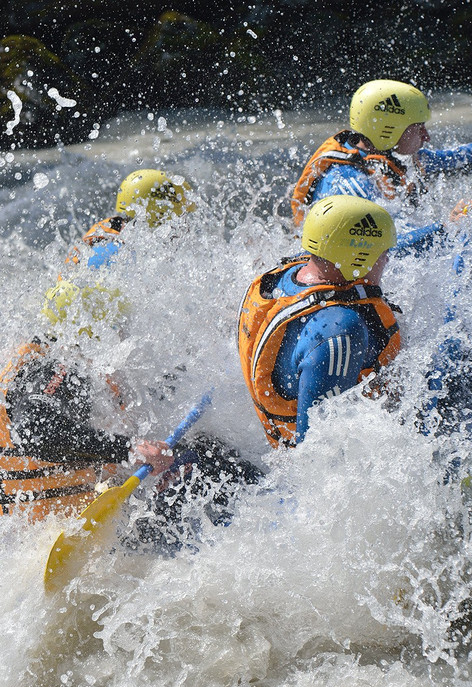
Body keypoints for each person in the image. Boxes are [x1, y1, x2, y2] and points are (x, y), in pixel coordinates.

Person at [1, 281, 260, 544]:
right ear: (92, 334)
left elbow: (151, 397)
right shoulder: (51, 369)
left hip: (87, 511)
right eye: (117, 328)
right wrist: (131, 449)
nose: (124, 335)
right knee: (212, 460)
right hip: (48, 529)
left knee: (204, 446)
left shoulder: (60, 361)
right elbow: (36, 432)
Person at [238, 195, 400, 447]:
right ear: (359, 256)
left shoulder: (288, 275)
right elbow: (317, 454)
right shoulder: (340, 331)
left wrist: (445, 228)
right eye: (384, 253)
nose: (388, 260)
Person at [289, 79, 472, 229]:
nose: (426, 136)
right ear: (389, 130)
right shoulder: (348, 184)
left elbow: (463, 159)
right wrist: (448, 227)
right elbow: (388, 245)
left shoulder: (390, 154)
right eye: (418, 128)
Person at [65, 169, 196, 269]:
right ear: (158, 218)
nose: (187, 227)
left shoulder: (118, 239)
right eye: (182, 218)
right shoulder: (112, 255)